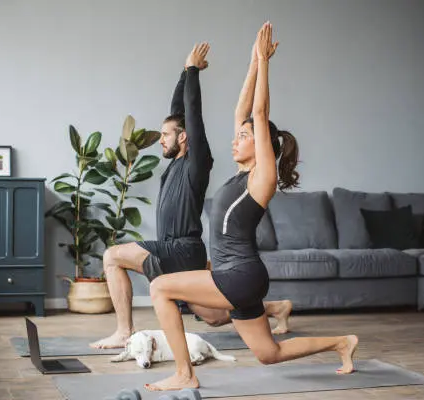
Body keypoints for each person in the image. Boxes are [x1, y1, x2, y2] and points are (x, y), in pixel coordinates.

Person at [143, 22, 359, 392]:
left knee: (161, 287)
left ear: (261, 146)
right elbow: (244, 110)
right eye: (238, 135)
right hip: (237, 275)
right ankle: (342, 343)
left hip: (239, 275)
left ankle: (184, 374)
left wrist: (265, 62)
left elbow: (258, 115)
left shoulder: (263, 177)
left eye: (244, 137)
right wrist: (253, 63)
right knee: (268, 353)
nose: (236, 139)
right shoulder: (240, 175)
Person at [90, 43, 292, 349]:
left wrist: (193, 70)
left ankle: (123, 331)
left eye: (167, 135)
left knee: (112, 256)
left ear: (184, 137)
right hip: (173, 250)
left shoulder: (197, 162)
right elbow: (179, 110)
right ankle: (274, 308)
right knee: (212, 316)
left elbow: (191, 114)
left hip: (182, 249)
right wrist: (185, 74)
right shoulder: (174, 164)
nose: (161, 141)